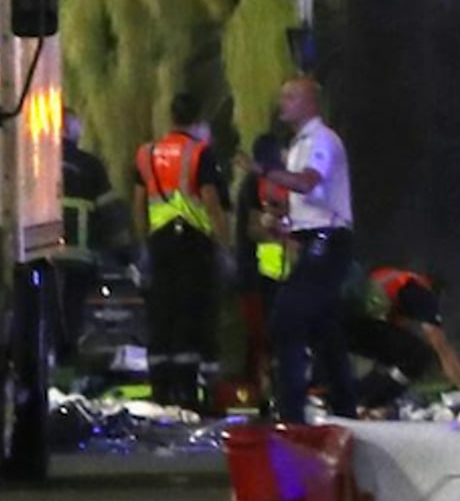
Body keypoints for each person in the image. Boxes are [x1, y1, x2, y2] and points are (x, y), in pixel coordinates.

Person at [245, 76, 356, 423]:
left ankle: (292, 413)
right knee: (325, 329)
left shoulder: (321, 140)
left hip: (328, 240)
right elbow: (307, 205)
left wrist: (265, 170)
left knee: (286, 319)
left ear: (311, 103)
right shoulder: (297, 146)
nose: (283, 103)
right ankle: (344, 409)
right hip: (313, 239)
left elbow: (308, 182)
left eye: (291, 97)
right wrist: (282, 225)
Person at [133, 93, 231, 411]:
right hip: (194, 244)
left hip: (159, 243)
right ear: (197, 120)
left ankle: (161, 389)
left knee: (162, 314)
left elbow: (138, 205)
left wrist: (143, 243)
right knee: (191, 314)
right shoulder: (200, 153)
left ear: (171, 117)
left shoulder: (146, 154)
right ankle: (189, 393)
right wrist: (225, 246)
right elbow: (212, 203)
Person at [344, 267, 460, 416]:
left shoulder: (394, 282)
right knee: (419, 356)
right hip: (353, 321)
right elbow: (441, 347)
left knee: (400, 356)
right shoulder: (421, 292)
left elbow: (387, 354)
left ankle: (352, 398)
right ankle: (364, 403)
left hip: (339, 318)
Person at [55, 107, 132, 361]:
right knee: (73, 311)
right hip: (79, 256)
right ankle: (69, 354)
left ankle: (50, 357)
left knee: (46, 310)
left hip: (41, 256)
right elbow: (111, 213)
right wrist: (125, 253)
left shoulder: (35, 161)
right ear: (70, 129)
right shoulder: (90, 165)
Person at [233, 132, 290, 391]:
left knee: (263, 336)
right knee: (261, 336)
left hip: (263, 273)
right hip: (258, 274)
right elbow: (255, 229)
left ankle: (260, 388)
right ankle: (256, 389)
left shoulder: (256, 183)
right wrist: (284, 233)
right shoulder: (256, 184)